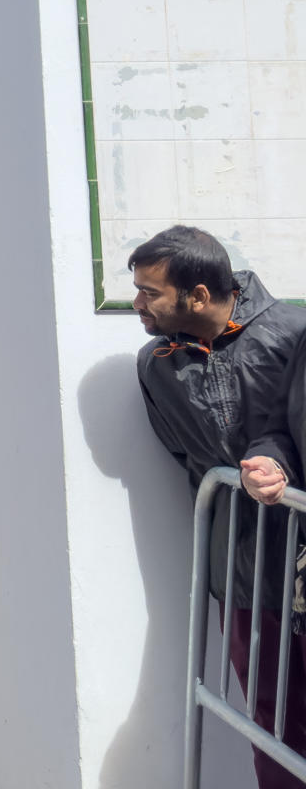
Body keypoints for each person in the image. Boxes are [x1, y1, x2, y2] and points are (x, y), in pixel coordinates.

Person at [133, 225, 306, 787]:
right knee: (272, 721)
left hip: (300, 554)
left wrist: (279, 468)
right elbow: (182, 448)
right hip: (242, 572)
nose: (138, 304)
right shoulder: (155, 362)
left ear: (200, 295)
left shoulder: (292, 332)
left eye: (150, 292)